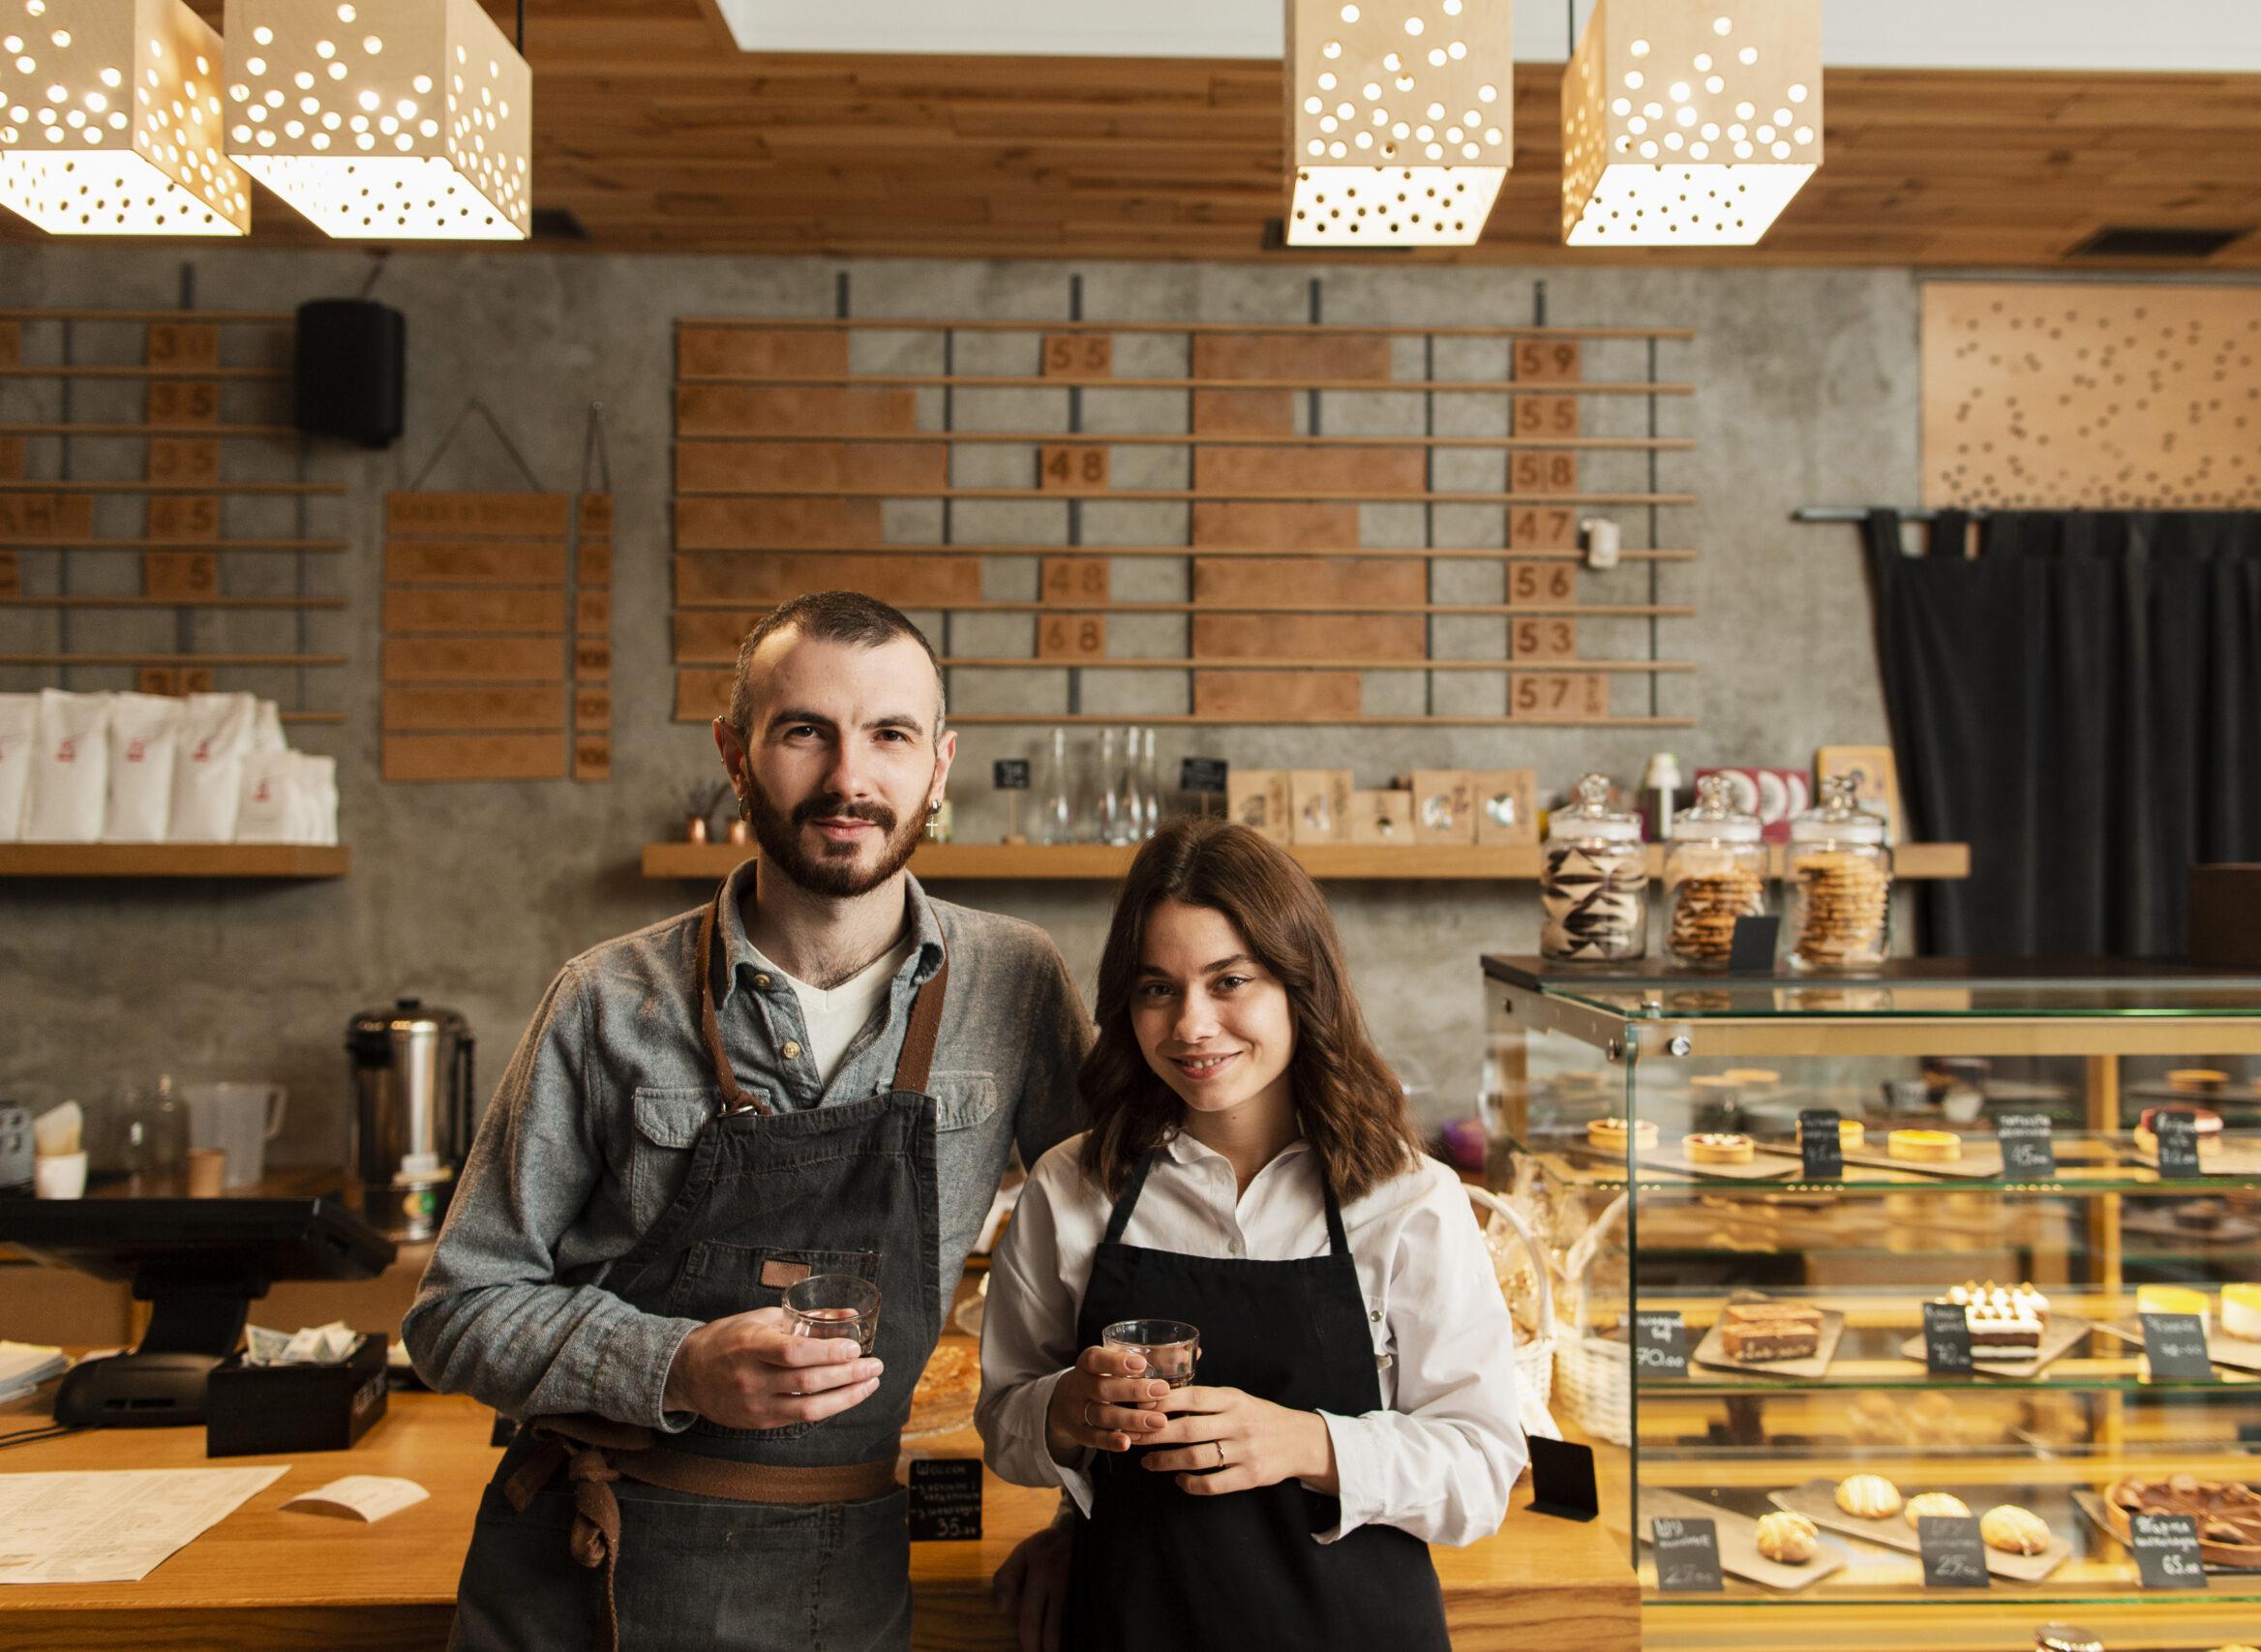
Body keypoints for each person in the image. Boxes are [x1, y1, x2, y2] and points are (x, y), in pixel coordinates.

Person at [403, 591, 1089, 1651]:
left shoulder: (1016, 985)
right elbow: (456, 1311)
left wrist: (1079, 1518)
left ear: (940, 765)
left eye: (890, 736)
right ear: (735, 753)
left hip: (843, 1575)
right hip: (593, 1566)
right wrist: (675, 1365)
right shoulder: (605, 998)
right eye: (803, 731)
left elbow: (1116, 1273)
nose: (848, 779)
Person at [977, 816, 1525, 1651]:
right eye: (1158, 987)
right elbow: (1004, 1420)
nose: (1192, 1025)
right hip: (1130, 1626)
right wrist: (1065, 1410)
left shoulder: (1411, 1200)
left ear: (1300, 985)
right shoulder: (1071, 1187)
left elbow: (1484, 1467)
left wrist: (1309, 1440)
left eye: (1230, 980)